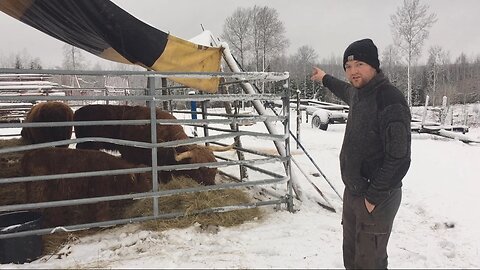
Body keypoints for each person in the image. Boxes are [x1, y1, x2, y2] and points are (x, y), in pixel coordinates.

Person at [311, 38, 411, 269]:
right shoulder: (359, 93)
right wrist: (324, 78)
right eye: (348, 67)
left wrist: (372, 197)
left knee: (370, 263)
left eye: (359, 65)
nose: (353, 72)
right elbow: (343, 88)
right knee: (352, 256)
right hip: (354, 192)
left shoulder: (389, 98)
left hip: (377, 195)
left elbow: (400, 158)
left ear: (374, 66)